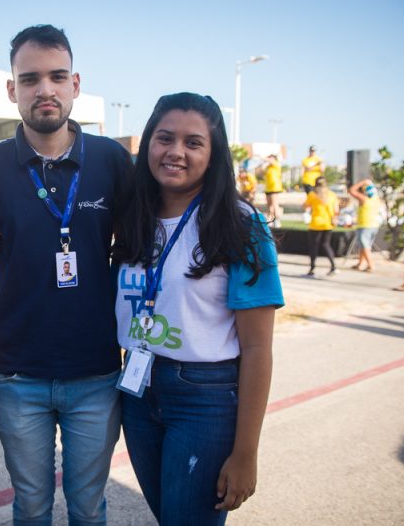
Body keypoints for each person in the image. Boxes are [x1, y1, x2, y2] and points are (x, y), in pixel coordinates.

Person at [0, 25, 132, 525]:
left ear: (75, 84)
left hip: (96, 371)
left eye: (58, 77)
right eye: (30, 79)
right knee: (31, 507)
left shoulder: (110, 159)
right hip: (18, 374)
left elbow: (138, 249)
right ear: (12, 89)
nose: (45, 89)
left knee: (88, 508)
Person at [112, 92, 283, 525]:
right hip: (138, 390)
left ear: (213, 154)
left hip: (204, 398)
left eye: (193, 143)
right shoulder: (132, 217)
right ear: (148, 143)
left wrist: (246, 452)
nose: (176, 152)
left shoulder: (241, 224)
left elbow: (258, 349)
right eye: (165, 138)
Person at [303, 176, 340, 277]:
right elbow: (336, 210)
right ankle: (333, 266)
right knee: (326, 245)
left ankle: (312, 268)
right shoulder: (332, 195)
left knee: (314, 246)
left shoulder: (313, 194)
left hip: (316, 223)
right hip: (328, 224)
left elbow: (305, 206)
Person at [348, 179, 381, 272]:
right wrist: (370, 184)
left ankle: (371, 265)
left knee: (365, 246)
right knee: (364, 245)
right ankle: (361, 263)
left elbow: (351, 190)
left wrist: (363, 182)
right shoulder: (376, 198)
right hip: (374, 225)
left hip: (365, 225)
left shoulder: (364, 199)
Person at [262, 154, 283, 227]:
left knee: (275, 204)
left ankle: (277, 220)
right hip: (268, 188)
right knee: (269, 206)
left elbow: (270, 161)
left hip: (275, 187)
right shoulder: (268, 167)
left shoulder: (276, 164)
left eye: (271, 158)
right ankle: (270, 220)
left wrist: (260, 157)